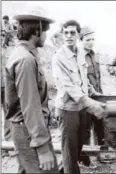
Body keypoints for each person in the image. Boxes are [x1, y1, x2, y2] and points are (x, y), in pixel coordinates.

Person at [4, 6, 59, 173]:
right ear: (37, 31)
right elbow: (30, 106)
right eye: (45, 32)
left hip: (26, 130)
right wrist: (42, 148)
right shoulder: (25, 60)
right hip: (28, 132)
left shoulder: (22, 54)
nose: (46, 36)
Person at [52, 20, 106, 174]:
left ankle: (64, 170)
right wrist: (90, 103)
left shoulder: (80, 53)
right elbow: (68, 86)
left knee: (77, 148)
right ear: (62, 34)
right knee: (69, 150)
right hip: (68, 109)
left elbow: (83, 78)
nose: (69, 36)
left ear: (77, 35)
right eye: (66, 32)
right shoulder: (58, 58)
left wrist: (93, 92)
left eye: (73, 32)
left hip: (82, 108)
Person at [80, 26, 104, 146]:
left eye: (92, 39)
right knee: (85, 127)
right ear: (81, 40)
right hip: (85, 97)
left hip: (97, 95)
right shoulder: (79, 56)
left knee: (100, 125)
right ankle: (85, 157)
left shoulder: (94, 55)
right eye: (87, 40)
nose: (91, 42)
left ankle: (101, 153)